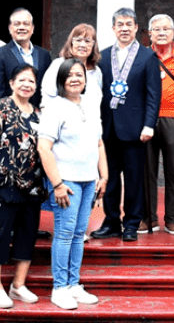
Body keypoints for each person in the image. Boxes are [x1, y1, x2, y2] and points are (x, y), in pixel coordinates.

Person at [38, 58, 108, 310]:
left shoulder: (90, 105)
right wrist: (56, 184)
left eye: (79, 74)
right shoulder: (55, 107)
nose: (75, 78)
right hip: (66, 181)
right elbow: (43, 148)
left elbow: (99, 143)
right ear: (61, 80)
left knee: (79, 234)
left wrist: (104, 176)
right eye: (70, 75)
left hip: (89, 180)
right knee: (65, 233)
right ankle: (60, 287)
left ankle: (74, 284)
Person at [0, 63, 47, 309]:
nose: (26, 84)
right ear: (11, 83)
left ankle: (18, 285)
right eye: (22, 80)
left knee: (26, 236)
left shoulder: (38, 113)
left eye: (31, 81)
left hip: (32, 186)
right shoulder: (1, 108)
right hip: (1, 186)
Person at [92, 8, 161, 242]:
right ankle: (111, 221)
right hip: (108, 127)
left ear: (135, 28)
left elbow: (153, 94)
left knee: (134, 180)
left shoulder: (147, 57)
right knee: (108, 178)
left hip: (135, 129)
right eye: (119, 24)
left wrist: (149, 124)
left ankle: (132, 223)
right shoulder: (101, 56)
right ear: (113, 28)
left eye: (128, 24)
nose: (124, 28)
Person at [142, 14, 174, 235]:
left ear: (173, 33)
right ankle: (148, 218)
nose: (161, 33)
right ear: (149, 33)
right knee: (146, 171)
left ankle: (172, 219)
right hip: (147, 120)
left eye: (166, 29)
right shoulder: (142, 56)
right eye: (156, 29)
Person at [0, 8, 51, 109]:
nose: (21, 27)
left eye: (26, 24)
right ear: (10, 28)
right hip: (12, 116)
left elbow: (48, 87)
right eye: (17, 24)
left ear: (32, 28)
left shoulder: (44, 55)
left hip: (39, 115)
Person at [41, 24, 102, 114]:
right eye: (78, 40)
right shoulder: (58, 65)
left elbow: (96, 102)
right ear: (71, 43)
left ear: (93, 45)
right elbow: (47, 96)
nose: (82, 45)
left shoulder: (96, 71)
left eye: (87, 41)